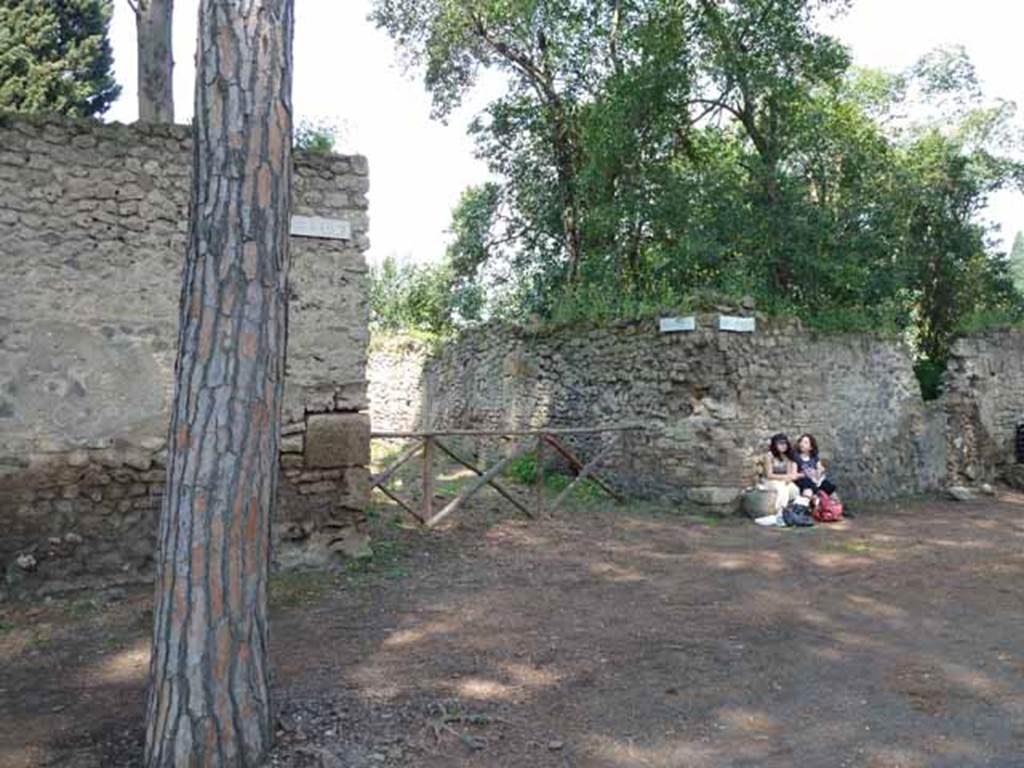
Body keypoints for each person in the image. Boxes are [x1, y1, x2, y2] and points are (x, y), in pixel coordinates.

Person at [792, 433, 839, 509]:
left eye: (805, 442)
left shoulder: (814, 458)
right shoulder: (796, 458)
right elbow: (793, 475)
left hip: (814, 480)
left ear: (811, 447)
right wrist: (803, 474)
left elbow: (819, 470)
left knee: (828, 485)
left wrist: (818, 472)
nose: (802, 444)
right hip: (803, 481)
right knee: (808, 483)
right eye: (801, 442)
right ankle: (807, 508)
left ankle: (838, 507)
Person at [760, 433, 798, 515]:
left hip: (783, 480)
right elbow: (769, 475)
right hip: (770, 481)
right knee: (782, 488)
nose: (783, 446)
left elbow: (789, 473)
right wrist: (785, 477)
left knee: (795, 490)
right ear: (775, 445)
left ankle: (791, 510)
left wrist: (788, 478)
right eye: (780, 444)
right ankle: (780, 512)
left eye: (785, 443)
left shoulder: (787, 456)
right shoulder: (769, 456)